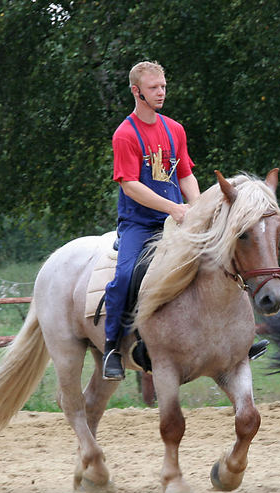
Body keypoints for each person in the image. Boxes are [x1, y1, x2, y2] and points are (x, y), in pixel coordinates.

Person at [103, 61, 200, 380]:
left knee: (222, 260)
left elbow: (185, 174)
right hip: (139, 225)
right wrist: (173, 209)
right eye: (154, 88)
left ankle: (237, 340)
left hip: (177, 220)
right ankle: (112, 348)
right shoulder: (125, 134)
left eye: (163, 86)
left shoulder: (175, 129)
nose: (161, 92)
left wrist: (196, 209)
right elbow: (130, 185)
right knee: (126, 275)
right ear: (137, 91)